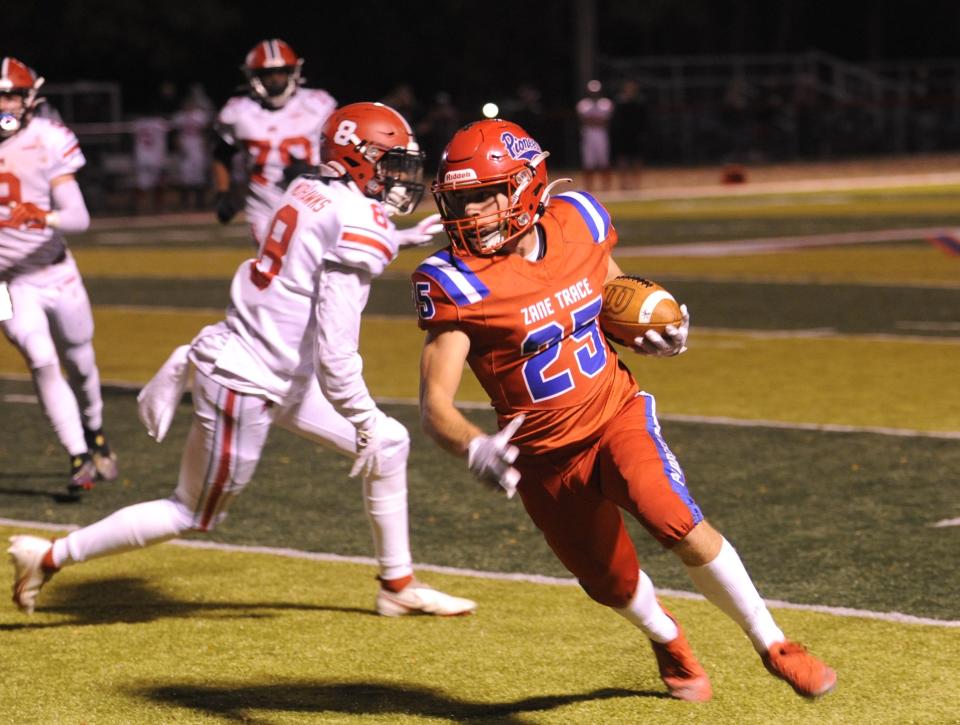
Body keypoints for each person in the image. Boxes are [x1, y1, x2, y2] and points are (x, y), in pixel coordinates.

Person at [411, 119, 837, 701]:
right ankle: (667, 636)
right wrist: (474, 444)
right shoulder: (456, 280)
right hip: (544, 459)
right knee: (609, 582)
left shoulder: (577, 221)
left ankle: (774, 643)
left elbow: (615, 297)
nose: (472, 214)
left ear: (526, 187)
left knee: (673, 519)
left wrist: (657, 332)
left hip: (616, 414)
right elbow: (435, 403)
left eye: (485, 196)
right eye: (461, 200)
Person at [8, 102, 470, 619]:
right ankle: (47, 556)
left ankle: (397, 585)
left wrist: (396, 237)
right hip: (246, 379)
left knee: (390, 444)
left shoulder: (309, 187)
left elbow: (314, 248)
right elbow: (337, 356)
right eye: (389, 163)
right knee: (191, 511)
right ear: (356, 159)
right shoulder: (354, 216)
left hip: (271, 366)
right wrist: (361, 415)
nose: (399, 178)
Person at [0, 57, 118, 493]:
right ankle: (78, 457)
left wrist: (42, 216)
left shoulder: (48, 138)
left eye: (10, 94)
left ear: (30, 99)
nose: (3, 103)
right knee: (40, 359)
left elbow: (80, 218)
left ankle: (96, 432)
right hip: (3, 283)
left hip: (55, 269)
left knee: (81, 364)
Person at [212, 39, 336, 247]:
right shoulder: (238, 112)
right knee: (275, 272)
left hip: (316, 201)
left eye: (280, 72)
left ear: (293, 72)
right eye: (267, 74)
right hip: (264, 206)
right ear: (253, 76)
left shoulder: (318, 104)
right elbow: (222, 153)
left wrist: (314, 171)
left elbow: (340, 150)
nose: (275, 79)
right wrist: (223, 193)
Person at [575, 79, 614, 192]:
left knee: (604, 161)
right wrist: (595, 120)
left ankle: (606, 187)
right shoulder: (583, 105)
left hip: (601, 134)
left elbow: (604, 121)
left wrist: (594, 120)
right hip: (588, 134)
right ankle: (589, 187)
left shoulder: (606, 104)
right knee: (588, 163)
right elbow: (585, 120)